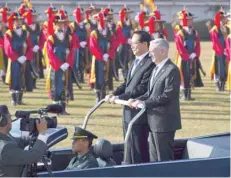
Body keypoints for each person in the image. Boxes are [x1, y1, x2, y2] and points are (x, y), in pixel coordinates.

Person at [105, 31, 154, 164]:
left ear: (145, 44)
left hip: (138, 113)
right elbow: (127, 83)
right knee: (129, 147)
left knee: (138, 148)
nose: (131, 46)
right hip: (128, 111)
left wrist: (121, 97)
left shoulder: (150, 63)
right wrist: (114, 93)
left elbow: (142, 88)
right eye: (131, 43)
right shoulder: (134, 61)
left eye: (135, 43)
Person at [130, 39, 182, 162]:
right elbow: (149, 93)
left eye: (152, 51)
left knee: (163, 160)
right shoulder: (155, 69)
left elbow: (167, 96)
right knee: (154, 160)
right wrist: (136, 100)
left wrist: (144, 103)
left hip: (164, 123)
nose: (149, 54)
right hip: (153, 121)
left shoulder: (172, 70)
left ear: (163, 51)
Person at [0, 105, 48, 177]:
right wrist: (42, 134)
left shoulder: (5, 139)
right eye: (9, 117)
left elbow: (18, 142)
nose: (11, 120)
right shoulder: (6, 147)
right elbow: (35, 156)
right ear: (3, 121)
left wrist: (33, 132)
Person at [4, 10, 33, 105]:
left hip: (23, 59)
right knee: (14, 77)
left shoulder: (26, 33)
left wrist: (26, 56)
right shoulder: (9, 33)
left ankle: (20, 99)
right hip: (13, 59)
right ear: (13, 21)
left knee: (22, 77)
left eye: (20, 20)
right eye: (16, 20)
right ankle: (13, 99)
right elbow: (8, 47)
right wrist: (16, 57)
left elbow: (30, 46)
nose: (18, 22)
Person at [175, 9, 201, 100]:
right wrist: (186, 55)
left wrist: (195, 53)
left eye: (192, 19)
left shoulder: (195, 32)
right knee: (184, 74)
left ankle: (189, 95)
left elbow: (197, 44)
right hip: (183, 58)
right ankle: (184, 95)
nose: (191, 21)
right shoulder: (180, 33)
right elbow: (179, 46)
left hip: (192, 56)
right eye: (189, 19)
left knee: (191, 74)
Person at [209, 8, 228, 91]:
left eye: (225, 18)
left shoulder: (226, 28)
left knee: (224, 67)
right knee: (218, 67)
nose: (225, 19)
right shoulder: (215, 29)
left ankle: (223, 84)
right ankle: (218, 84)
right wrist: (221, 50)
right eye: (223, 18)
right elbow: (215, 42)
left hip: (226, 51)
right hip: (218, 51)